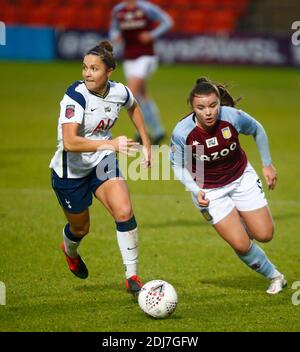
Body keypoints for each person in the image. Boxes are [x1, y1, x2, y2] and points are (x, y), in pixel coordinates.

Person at [49, 40, 151, 297]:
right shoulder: (75, 96)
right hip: (70, 172)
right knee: (81, 228)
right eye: (85, 68)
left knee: (124, 211)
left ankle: (132, 276)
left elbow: (134, 105)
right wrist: (111, 143)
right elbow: (71, 142)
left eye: (94, 68)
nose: (86, 73)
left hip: (102, 161)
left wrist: (146, 142)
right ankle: (70, 250)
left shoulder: (119, 91)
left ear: (109, 71)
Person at [169, 77, 287, 295]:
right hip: (209, 190)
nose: (208, 112)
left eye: (213, 106)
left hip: (241, 178)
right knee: (241, 244)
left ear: (219, 103)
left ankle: (241, 217)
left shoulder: (232, 117)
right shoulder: (182, 133)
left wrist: (267, 164)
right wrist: (195, 191)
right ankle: (275, 276)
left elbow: (257, 130)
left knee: (265, 234)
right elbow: (176, 165)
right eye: (201, 108)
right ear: (192, 107)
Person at [109, 0, 173, 144]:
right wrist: (115, 36)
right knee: (141, 96)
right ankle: (158, 131)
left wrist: (152, 34)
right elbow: (113, 29)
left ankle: (139, 132)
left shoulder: (146, 8)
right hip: (129, 57)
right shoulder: (118, 10)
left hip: (146, 56)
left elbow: (167, 22)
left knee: (130, 93)